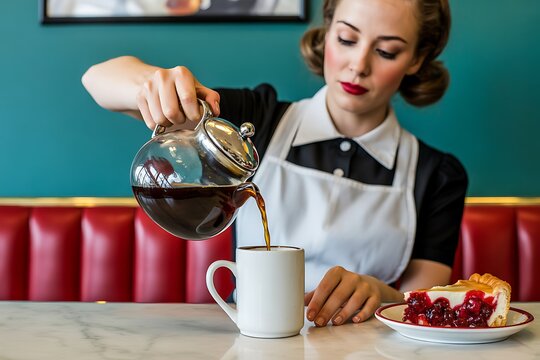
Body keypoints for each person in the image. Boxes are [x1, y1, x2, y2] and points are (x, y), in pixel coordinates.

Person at [82, 0, 468, 327]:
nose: (358, 65)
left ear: (417, 59)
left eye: (386, 51)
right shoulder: (257, 120)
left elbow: (425, 300)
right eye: (346, 39)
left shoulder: (437, 175)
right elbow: (97, 79)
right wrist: (152, 83)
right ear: (327, 30)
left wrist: (381, 294)